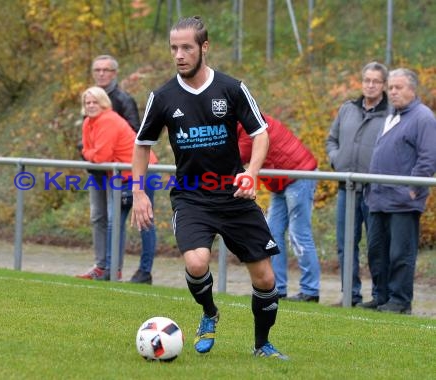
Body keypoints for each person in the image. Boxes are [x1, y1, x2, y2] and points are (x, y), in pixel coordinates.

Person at [131, 16, 287, 360]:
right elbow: (142, 144)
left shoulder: (231, 88)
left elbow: (260, 133)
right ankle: (209, 312)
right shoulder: (163, 96)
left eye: (186, 47)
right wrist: (140, 191)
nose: (179, 55)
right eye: (174, 48)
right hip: (191, 197)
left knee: (264, 279)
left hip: (234, 194)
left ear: (204, 47)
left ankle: (262, 345)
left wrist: (252, 172)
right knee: (197, 262)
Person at [77, 55, 157, 284]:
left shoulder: (113, 113)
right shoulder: (89, 121)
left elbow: (100, 154)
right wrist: (91, 153)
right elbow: (89, 150)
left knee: (144, 221)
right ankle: (109, 268)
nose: (91, 106)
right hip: (115, 175)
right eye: (87, 103)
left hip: (138, 171)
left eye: (95, 102)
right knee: (109, 220)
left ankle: (144, 271)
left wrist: (90, 153)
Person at [364, 68, 436, 314]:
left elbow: (428, 159)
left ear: (412, 89)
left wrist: (414, 189)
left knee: (400, 254)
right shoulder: (391, 115)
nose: (392, 92)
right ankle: (381, 296)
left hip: (403, 201)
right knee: (376, 251)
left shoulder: (423, 117)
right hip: (379, 199)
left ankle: (400, 300)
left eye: (398, 87)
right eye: (391, 87)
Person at [326, 61, 390, 307]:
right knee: (345, 245)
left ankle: (378, 297)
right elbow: (331, 140)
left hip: (375, 190)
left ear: (383, 85)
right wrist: (336, 160)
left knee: (376, 246)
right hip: (346, 189)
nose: (371, 85)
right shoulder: (347, 109)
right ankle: (350, 295)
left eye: (376, 81)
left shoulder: (391, 114)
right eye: (367, 80)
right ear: (361, 83)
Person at [238, 115, 320, 302]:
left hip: (299, 175)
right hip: (280, 182)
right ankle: (278, 288)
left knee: (299, 234)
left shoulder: (247, 126)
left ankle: (311, 290)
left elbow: (234, 156)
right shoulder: (243, 123)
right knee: (272, 234)